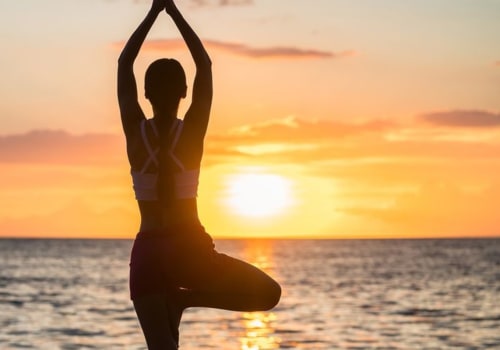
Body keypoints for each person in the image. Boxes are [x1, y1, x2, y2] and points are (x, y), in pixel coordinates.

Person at [117, 0, 281, 348]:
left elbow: (124, 63)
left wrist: (152, 13)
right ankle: (186, 298)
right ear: (184, 92)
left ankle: (181, 299)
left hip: (146, 253)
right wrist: (172, 10)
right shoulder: (190, 135)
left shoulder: (135, 134)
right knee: (268, 294)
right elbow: (203, 64)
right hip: (189, 250)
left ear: (145, 94)